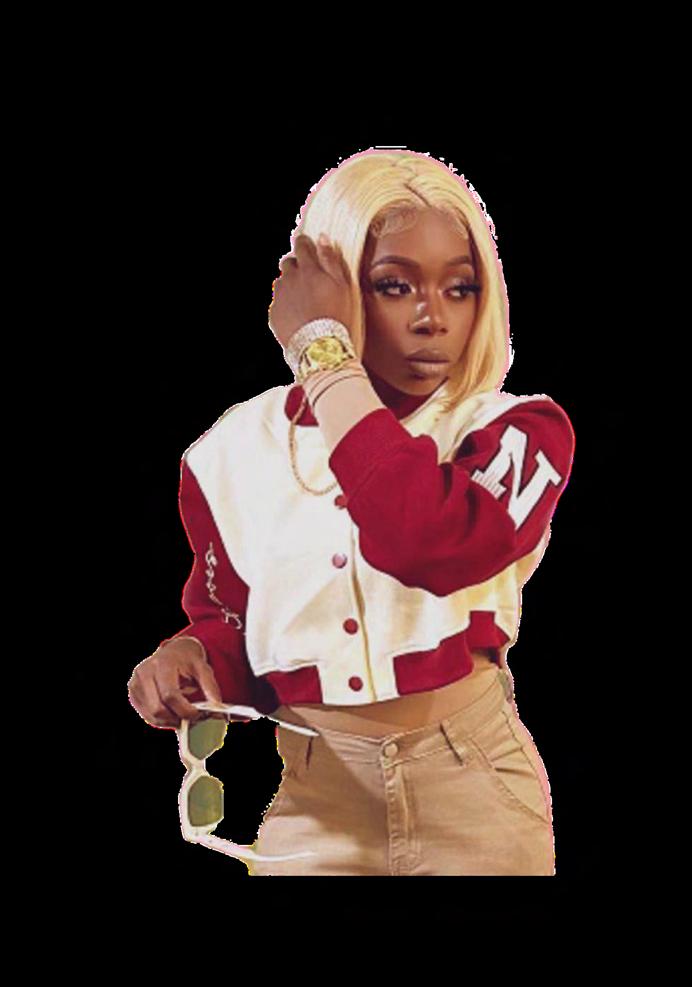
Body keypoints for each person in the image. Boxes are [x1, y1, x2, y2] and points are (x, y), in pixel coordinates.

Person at [127, 148, 576, 876]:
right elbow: (238, 626)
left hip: (473, 787)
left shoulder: (516, 430)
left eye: (460, 287)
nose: (432, 318)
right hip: (316, 797)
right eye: (394, 286)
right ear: (324, 288)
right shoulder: (228, 451)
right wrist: (191, 658)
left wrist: (323, 356)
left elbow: (425, 542)